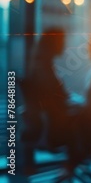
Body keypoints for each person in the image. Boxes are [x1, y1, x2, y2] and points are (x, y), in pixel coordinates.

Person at [20, 27, 80, 175]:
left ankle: (70, 167)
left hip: (46, 127)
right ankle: (70, 167)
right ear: (54, 44)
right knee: (90, 121)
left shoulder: (40, 67)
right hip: (54, 130)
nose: (64, 46)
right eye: (62, 42)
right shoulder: (45, 72)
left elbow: (58, 99)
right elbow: (59, 102)